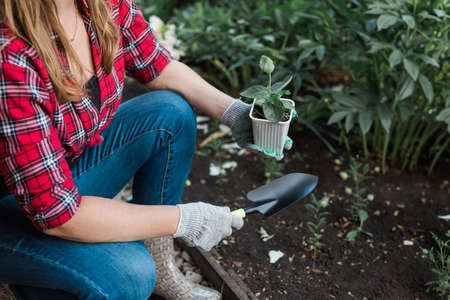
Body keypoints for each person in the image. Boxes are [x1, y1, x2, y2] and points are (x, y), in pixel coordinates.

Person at [0, 0, 291, 299]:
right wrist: (183, 219)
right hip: (16, 208)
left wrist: (236, 114)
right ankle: (44, 277)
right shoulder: (10, 57)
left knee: (170, 114)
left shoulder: (100, 5)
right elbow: (57, 213)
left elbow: (156, 65)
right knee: (128, 275)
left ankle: (158, 267)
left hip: (54, 178)